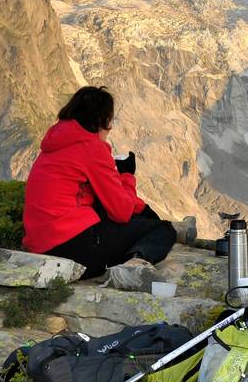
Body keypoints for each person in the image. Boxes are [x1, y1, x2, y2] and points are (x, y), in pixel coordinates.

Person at [22, 86, 182, 291]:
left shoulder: (56, 143)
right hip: (70, 247)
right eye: (109, 120)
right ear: (100, 121)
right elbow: (121, 212)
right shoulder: (91, 148)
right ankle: (134, 264)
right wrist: (126, 175)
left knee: (112, 216)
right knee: (163, 229)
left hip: (39, 243)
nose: (111, 127)